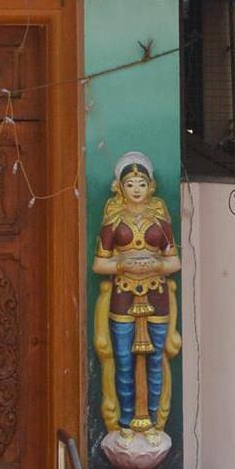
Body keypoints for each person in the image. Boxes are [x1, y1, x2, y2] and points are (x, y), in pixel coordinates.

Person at [92, 152, 181, 438]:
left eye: (141, 183)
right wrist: (122, 264)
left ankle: (154, 419)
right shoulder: (114, 220)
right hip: (123, 293)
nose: (136, 190)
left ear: (150, 185)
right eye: (130, 184)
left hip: (156, 292)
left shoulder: (160, 219)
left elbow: (174, 262)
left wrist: (156, 265)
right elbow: (99, 263)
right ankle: (127, 420)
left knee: (156, 358)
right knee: (123, 358)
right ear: (120, 187)